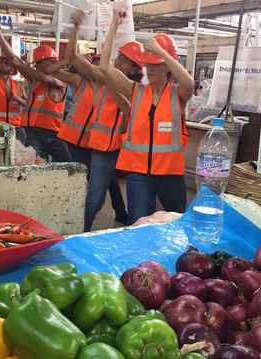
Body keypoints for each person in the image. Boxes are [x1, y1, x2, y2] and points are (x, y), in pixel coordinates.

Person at [100, 10, 194, 225]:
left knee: (176, 226)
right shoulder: (136, 91)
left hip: (171, 174)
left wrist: (160, 50)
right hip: (139, 175)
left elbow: (189, 83)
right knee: (138, 225)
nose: (149, 69)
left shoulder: (177, 95)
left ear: (167, 66)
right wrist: (114, 24)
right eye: (147, 64)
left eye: (156, 64)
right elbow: (104, 66)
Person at [64, 10, 145, 230]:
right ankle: (80, 233)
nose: (118, 62)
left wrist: (112, 83)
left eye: (124, 60)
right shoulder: (101, 78)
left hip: (130, 154)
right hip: (103, 149)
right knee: (96, 197)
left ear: (135, 68)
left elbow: (128, 110)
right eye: (118, 57)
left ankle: (124, 216)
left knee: (129, 195)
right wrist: (75, 28)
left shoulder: (139, 89)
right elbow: (72, 58)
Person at [0, 18, 71, 162]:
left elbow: (45, 78)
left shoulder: (60, 80)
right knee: (34, 166)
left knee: (69, 168)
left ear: (52, 62)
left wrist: (25, 67)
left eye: (39, 63)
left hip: (54, 134)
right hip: (32, 132)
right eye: (36, 64)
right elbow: (13, 59)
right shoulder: (35, 80)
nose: (37, 67)